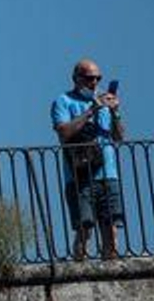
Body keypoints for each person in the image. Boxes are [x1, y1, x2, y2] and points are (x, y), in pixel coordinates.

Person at [51, 59, 125, 260]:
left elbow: (119, 138)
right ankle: (79, 270)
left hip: (108, 174)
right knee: (85, 228)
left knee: (111, 229)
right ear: (76, 78)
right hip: (80, 176)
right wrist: (92, 109)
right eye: (89, 78)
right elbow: (64, 133)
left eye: (98, 78)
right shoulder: (64, 101)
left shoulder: (104, 102)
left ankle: (111, 271)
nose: (94, 82)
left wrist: (115, 112)